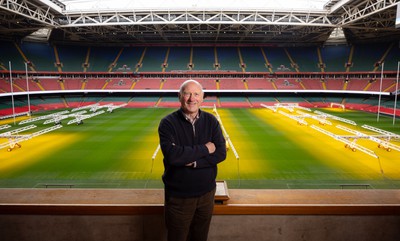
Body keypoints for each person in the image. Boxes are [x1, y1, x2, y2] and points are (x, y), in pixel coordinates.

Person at [158, 79, 227, 241]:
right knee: (177, 238)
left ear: (202, 98)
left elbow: (221, 153)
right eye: (187, 93)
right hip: (179, 197)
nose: (191, 98)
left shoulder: (211, 121)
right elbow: (173, 156)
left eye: (196, 94)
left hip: (207, 194)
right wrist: (205, 149)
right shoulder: (168, 123)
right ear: (179, 96)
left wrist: (194, 162)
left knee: (200, 238)